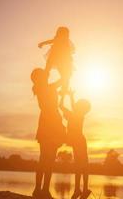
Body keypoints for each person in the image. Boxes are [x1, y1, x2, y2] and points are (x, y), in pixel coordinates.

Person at [31, 68, 65, 199]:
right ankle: (40, 189)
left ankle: (42, 190)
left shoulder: (45, 87)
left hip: (52, 122)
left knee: (48, 159)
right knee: (46, 159)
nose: (47, 76)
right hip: (49, 123)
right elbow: (62, 81)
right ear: (39, 78)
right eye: (44, 75)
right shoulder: (44, 88)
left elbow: (62, 81)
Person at [59, 90, 91, 199]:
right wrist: (65, 96)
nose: (75, 105)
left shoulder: (79, 115)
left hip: (80, 142)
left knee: (83, 166)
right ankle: (78, 189)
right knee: (79, 166)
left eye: (78, 105)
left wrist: (69, 96)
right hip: (77, 142)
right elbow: (61, 105)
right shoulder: (73, 114)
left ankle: (83, 189)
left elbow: (65, 106)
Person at [38, 26, 75, 94]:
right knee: (65, 76)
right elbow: (50, 41)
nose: (66, 36)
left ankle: (62, 89)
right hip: (57, 59)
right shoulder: (59, 39)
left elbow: (69, 51)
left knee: (66, 76)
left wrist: (42, 43)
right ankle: (57, 87)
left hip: (62, 60)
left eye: (67, 35)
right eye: (65, 34)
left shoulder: (66, 42)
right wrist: (42, 43)